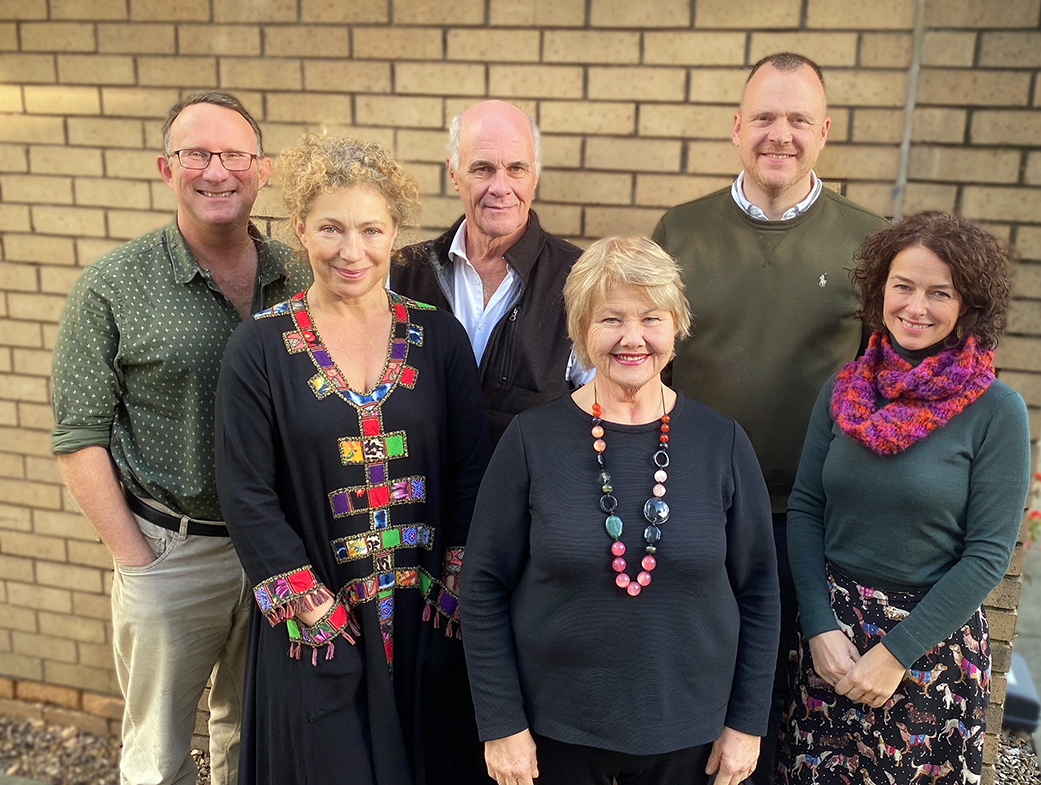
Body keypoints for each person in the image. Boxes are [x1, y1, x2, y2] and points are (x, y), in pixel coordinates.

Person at [215, 133, 490, 785]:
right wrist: (313, 608)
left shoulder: (438, 336)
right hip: (320, 628)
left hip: (427, 619)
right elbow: (245, 490)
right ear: (301, 230)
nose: (351, 249)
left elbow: (472, 467)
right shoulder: (259, 349)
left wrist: (454, 580)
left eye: (371, 228)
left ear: (394, 231)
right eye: (331, 228)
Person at [50, 91, 306, 785]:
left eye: (234, 155)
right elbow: (79, 436)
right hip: (171, 551)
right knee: (158, 755)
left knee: (251, 737)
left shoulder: (301, 274)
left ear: (264, 169)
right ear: (167, 168)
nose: (216, 171)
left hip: (276, 549)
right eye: (198, 154)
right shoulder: (112, 285)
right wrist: (137, 559)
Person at [460, 236, 780, 785]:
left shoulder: (721, 442)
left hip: (694, 741)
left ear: (675, 326)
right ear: (582, 330)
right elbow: (482, 585)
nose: (633, 339)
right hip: (552, 741)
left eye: (651, 318)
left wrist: (747, 725)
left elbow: (760, 592)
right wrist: (501, 725)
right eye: (611, 319)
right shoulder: (531, 440)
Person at [651, 52, 886, 783]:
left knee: (782, 697)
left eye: (796, 120)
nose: (778, 134)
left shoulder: (870, 241)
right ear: (736, 128)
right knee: (691, 678)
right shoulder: (680, 231)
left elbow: (886, 379)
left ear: (824, 132)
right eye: (763, 118)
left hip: (808, 516)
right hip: (693, 506)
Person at [780, 212, 1030, 784]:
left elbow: (987, 554)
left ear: (968, 305)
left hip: (927, 650)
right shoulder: (845, 389)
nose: (916, 307)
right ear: (880, 290)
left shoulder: (996, 411)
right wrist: (819, 627)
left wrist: (896, 654)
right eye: (904, 286)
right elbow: (806, 509)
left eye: (939, 293)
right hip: (832, 645)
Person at [393, 100, 587, 446]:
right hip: (421, 494)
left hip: (528, 497)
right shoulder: (403, 272)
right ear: (453, 173)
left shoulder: (579, 279)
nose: (501, 187)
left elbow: (603, 414)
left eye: (516, 169)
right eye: (482, 169)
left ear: (535, 175)